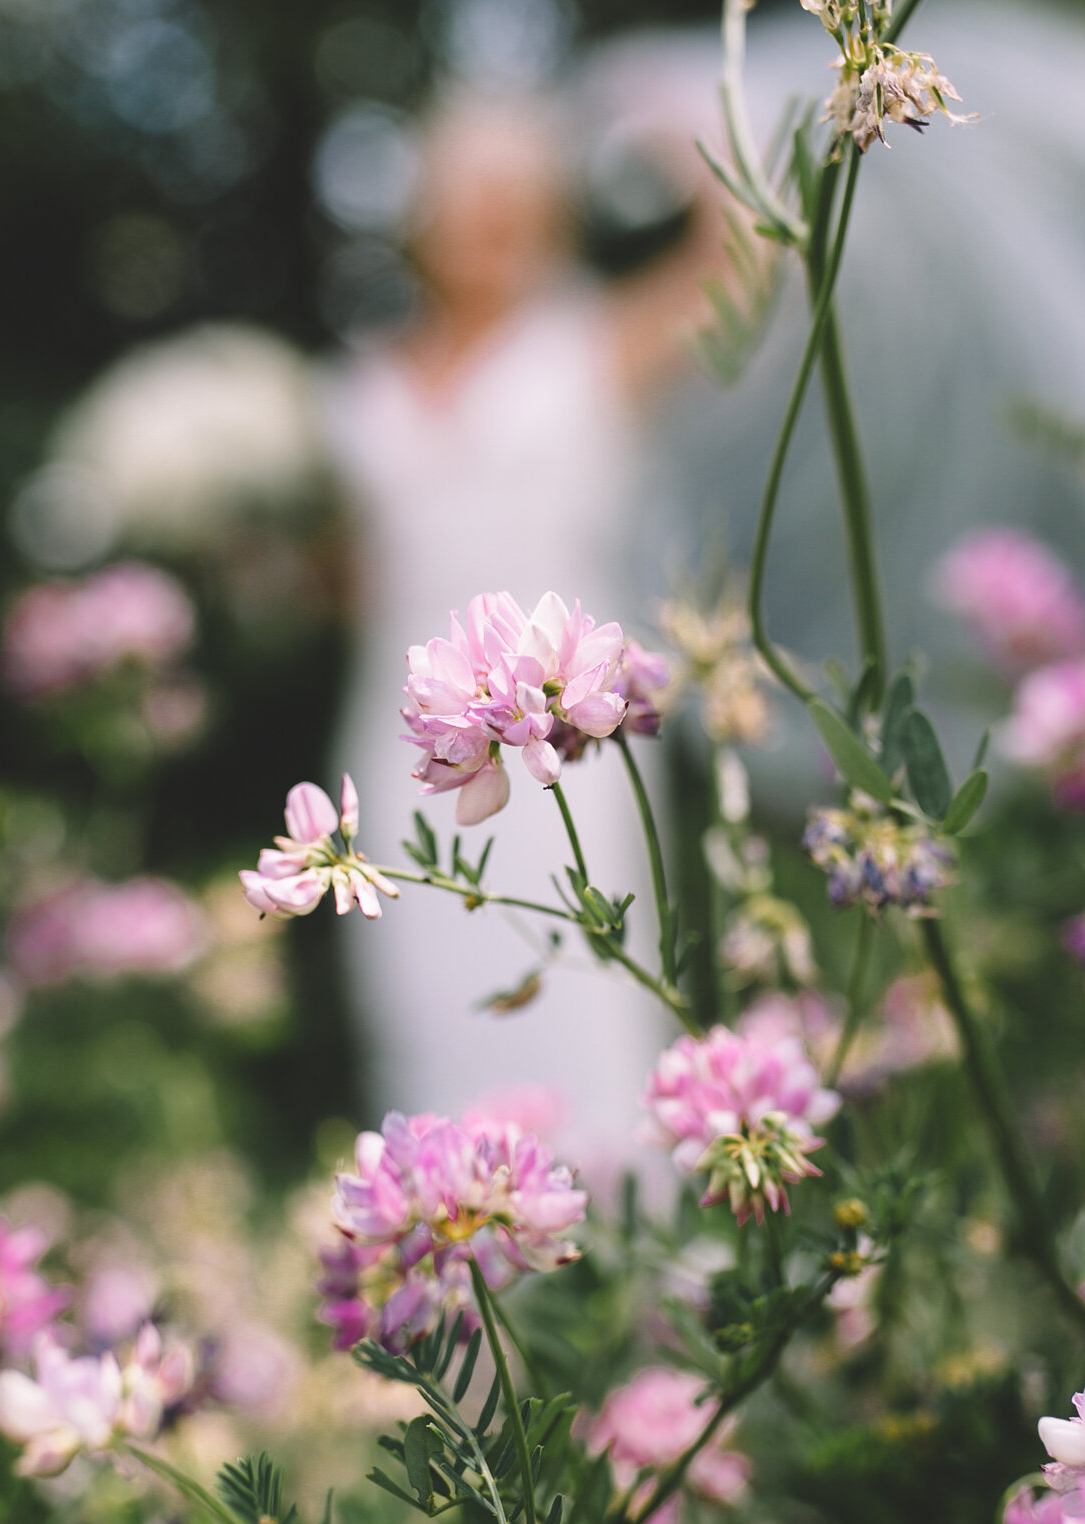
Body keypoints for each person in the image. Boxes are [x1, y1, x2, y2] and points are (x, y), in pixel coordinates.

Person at [323, 93, 721, 1184]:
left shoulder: (595, 348)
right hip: (399, 739)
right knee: (421, 1006)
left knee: (587, 1000)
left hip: (563, 748)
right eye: (465, 196)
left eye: (513, 195)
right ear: (419, 217)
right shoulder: (355, 384)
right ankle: (458, 1270)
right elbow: (344, 579)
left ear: (551, 213)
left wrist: (681, 127)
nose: (489, 219)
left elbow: (738, 270)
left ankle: (628, 1289)